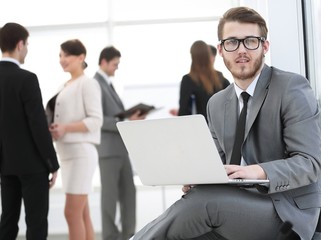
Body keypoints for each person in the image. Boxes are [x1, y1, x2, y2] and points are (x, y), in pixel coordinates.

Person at [131, 6, 321, 240]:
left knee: (205, 203)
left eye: (250, 41)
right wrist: (199, 176)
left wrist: (256, 171)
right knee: (194, 215)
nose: (241, 50)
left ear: (265, 46)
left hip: (284, 210)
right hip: (233, 204)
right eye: (232, 42)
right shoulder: (217, 103)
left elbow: (310, 163)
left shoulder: (291, 88)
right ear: (220, 50)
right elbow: (219, 164)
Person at [0, 22, 59, 239]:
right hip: (33, 165)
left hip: (5, 165)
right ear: (19, 44)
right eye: (27, 45)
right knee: (36, 223)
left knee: (7, 220)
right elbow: (37, 125)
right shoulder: (26, 79)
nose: (27, 50)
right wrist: (52, 163)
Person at [47, 39, 102, 240]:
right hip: (67, 154)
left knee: (71, 213)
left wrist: (65, 128)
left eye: (66, 55)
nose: (62, 60)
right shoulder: (64, 85)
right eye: (60, 55)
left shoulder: (88, 84)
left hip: (81, 153)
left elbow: (96, 120)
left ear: (81, 57)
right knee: (82, 213)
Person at [93, 46, 146, 240]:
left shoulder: (108, 84)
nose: (116, 68)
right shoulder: (96, 84)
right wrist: (126, 122)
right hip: (108, 151)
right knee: (110, 199)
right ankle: (110, 237)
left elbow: (113, 115)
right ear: (104, 62)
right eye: (115, 64)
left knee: (129, 195)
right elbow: (98, 119)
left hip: (121, 150)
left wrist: (129, 118)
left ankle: (129, 236)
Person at [170, 41, 230, 120]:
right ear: (208, 55)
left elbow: (184, 112)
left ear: (193, 57)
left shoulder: (188, 79)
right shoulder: (220, 77)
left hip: (200, 128)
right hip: (221, 126)